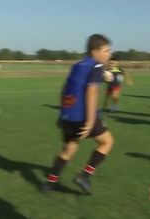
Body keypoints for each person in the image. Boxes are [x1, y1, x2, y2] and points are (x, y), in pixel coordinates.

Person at [41, 34, 115, 195]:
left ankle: (49, 184)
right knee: (107, 142)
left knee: (68, 150)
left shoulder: (77, 65)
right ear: (95, 52)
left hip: (69, 117)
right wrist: (89, 121)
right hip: (83, 117)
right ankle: (84, 175)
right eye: (106, 50)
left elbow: (65, 89)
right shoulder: (96, 66)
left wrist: (62, 113)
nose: (109, 54)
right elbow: (92, 92)